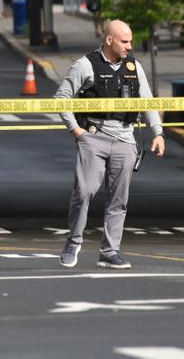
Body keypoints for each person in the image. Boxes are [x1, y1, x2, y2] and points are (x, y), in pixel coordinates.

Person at [54, 19, 166, 269]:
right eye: (125, 41)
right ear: (109, 40)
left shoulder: (134, 66)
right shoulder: (85, 65)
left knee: (118, 200)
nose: (130, 46)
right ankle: (73, 241)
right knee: (84, 192)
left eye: (131, 41)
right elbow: (62, 98)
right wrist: (77, 131)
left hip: (126, 139)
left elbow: (146, 101)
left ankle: (110, 251)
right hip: (94, 136)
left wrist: (158, 133)